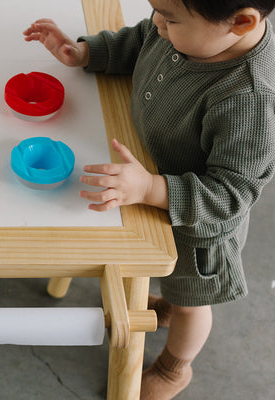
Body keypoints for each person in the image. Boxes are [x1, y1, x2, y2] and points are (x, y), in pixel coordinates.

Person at [24, 0, 275, 399]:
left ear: (242, 22)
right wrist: (89, 52)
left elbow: (231, 195)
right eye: (157, 9)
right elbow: (142, 38)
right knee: (168, 287)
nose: (156, 22)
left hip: (197, 232)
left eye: (170, 18)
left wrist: (148, 189)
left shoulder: (249, 100)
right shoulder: (192, 32)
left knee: (191, 302)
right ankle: (169, 307)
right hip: (148, 179)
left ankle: (176, 368)